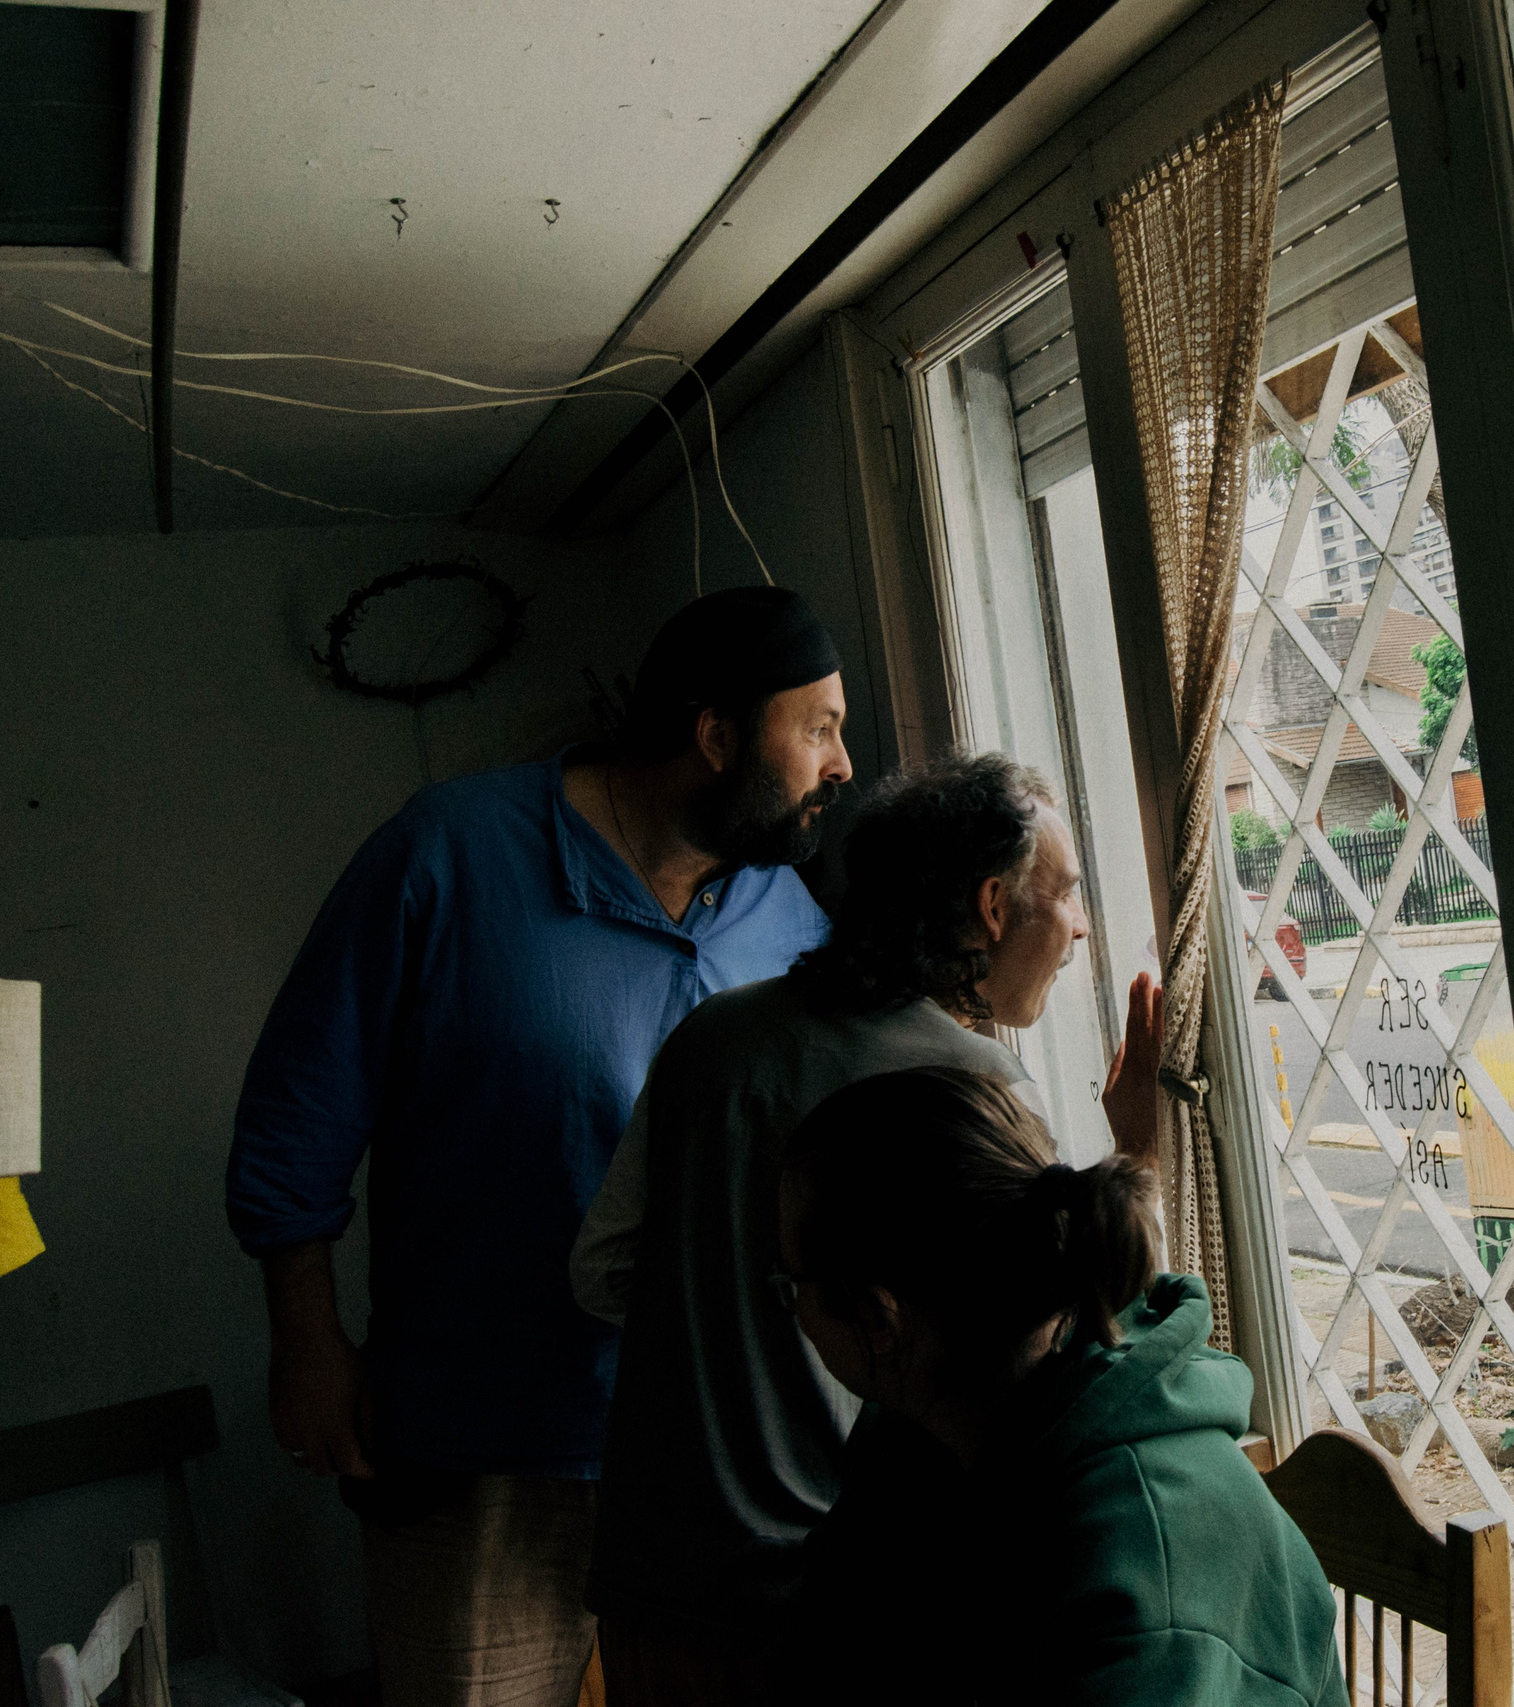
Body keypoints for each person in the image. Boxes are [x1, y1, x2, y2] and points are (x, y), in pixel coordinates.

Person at [225, 586, 853, 1707]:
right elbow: (298, 1109)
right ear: (714, 739)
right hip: (484, 1454)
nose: (843, 762)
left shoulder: (787, 914)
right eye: (818, 728)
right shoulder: (449, 854)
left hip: (719, 1451)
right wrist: (306, 1342)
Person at [572, 752, 1162, 1706]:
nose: (1085, 924)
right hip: (834, 1604)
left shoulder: (710, 1037)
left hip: (652, 1589)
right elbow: (1055, 1367)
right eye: (1070, 893)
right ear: (994, 908)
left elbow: (598, 1273)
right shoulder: (973, 1088)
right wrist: (1139, 1150)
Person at [779, 1066, 1342, 1705]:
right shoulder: (920, 1432)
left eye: (791, 1282)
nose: (792, 1309)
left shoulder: (1147, 1594)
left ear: (878, 1319)